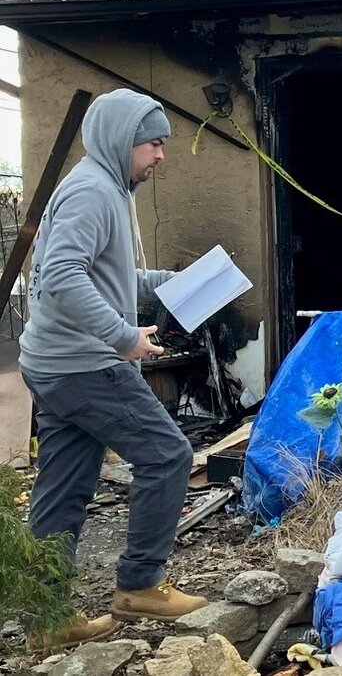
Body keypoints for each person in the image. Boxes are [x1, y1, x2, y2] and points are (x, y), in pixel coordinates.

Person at [19, 89, 208, 649]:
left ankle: (45, 619)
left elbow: (102, 275)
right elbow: (59, 276)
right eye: (153, 144)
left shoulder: (98, 187)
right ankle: (140, 584)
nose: (160, 156)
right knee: (169, 455)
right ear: (120, 140)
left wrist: (167, 282)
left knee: (62, 491)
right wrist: (123, 336)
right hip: (85, 365)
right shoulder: (93, 193)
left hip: (53, 364)